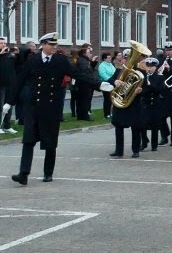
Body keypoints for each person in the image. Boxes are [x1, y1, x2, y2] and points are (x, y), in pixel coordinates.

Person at [11, 33, 102, 185]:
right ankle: (23, 173)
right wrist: (9, 102)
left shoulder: (61, 61)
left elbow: (78, 75)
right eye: (51, 45)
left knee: (50, 142)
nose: (54, 47)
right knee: (28, 140)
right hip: (33, 106)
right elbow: (20, 80)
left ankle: (48, 173)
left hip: (51, 107)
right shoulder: (32, 60)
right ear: (43, 45)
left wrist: (98, 85)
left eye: (55, 45)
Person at [108, 48, 144, 158]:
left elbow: (146, 85)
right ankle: (119, 151)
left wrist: (140, 90)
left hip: (133, 103)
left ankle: (136, 150)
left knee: (135, 127)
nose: (128, 60)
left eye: (130, 58)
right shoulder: (119, 71)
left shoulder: (140, 72)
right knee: (118, 127)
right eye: (126, 58)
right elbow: (109, 80)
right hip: (120, 103)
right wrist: (115, 81)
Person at [73, 44, 96, 121]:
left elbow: (89, 70)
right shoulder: (83, 61)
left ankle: (81, 116)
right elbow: (86, 72)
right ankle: (84, 116)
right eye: (89, 52)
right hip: (83, 84)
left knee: (82, 101)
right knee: (84, 101)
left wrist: (93, 63)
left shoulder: (84, 60)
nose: (91, 54)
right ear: (85, 53)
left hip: (83, 84)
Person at [98, 52, 116, 119]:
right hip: (106, 84)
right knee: (107, 99)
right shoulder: (102, 66)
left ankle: (111, 112)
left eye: (110, 57)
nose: (110, 58)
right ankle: (106, 114)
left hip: (112, 83)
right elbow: (103, 75)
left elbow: (114, 72)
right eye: (109, 57)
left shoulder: (110, 64)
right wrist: (111, 80)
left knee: (112, 99)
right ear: (104, 58)